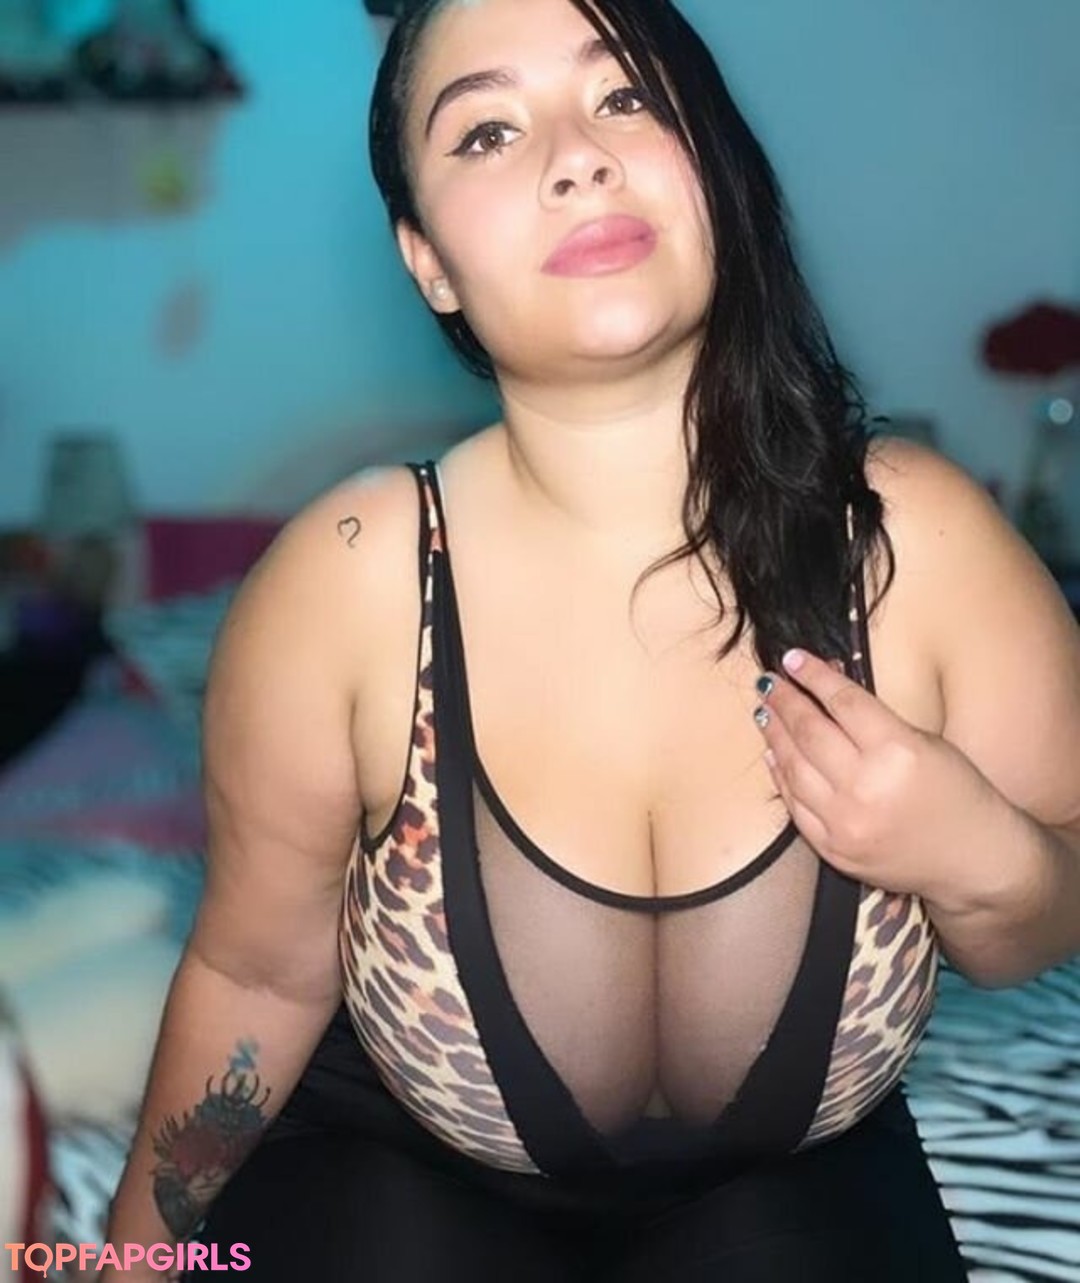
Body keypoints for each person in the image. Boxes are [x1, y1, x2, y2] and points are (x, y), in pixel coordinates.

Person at [101, 0, 1080, 1279]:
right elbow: (257, 979)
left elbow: (1035, 921)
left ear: (713, 163)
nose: (578, 157)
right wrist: (120, 1265)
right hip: (388, 1169)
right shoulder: (345, 582)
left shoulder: (919, 543)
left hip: (791, 1183)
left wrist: (980, 852)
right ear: (428, 261)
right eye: (489, 131)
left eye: (626, 97)